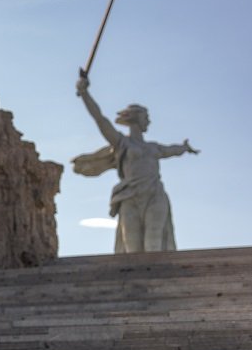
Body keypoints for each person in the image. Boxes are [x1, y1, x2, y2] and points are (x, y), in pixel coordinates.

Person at [73, 71, 199, 253]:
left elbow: (172, 150)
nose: (149, 121)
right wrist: (85, 93)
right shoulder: (122, 143)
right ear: (137, 118)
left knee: (154, 241)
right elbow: (100, 120)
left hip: (154, 193)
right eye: (146, 117)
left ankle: (158, 271)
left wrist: (185, 147)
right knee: (132, 247)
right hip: (129, 195)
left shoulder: (154, 147)